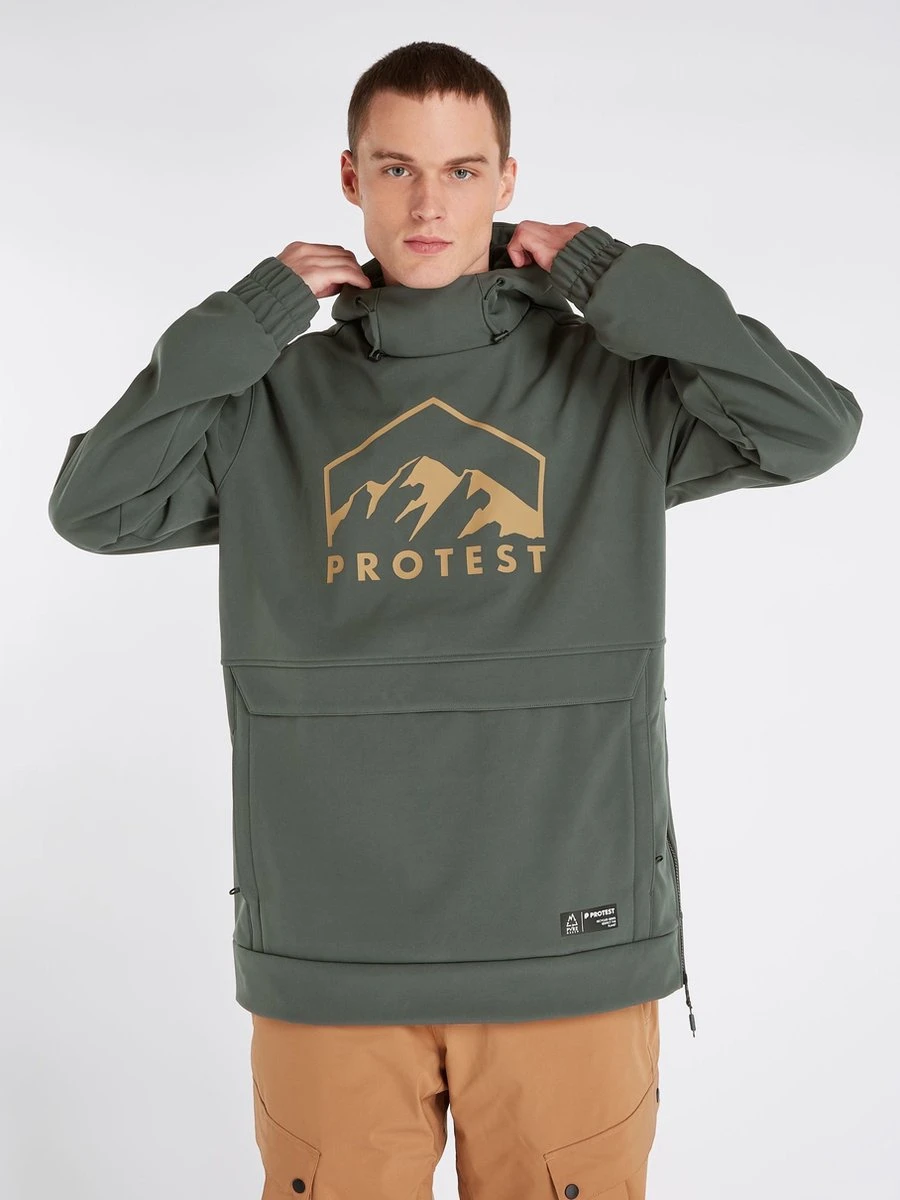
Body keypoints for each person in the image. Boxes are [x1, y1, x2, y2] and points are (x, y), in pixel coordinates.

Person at [48, 38, 862, 1200]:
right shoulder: (268, 403)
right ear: (351, 178)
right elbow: (94, 506)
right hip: (332, 959)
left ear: (506, 180)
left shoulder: (612, 389)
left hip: (569, 952)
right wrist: (251, 314)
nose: (428, 204)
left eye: (462, 171)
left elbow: (811, 427)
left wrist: (616, 276)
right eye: (397, 170)